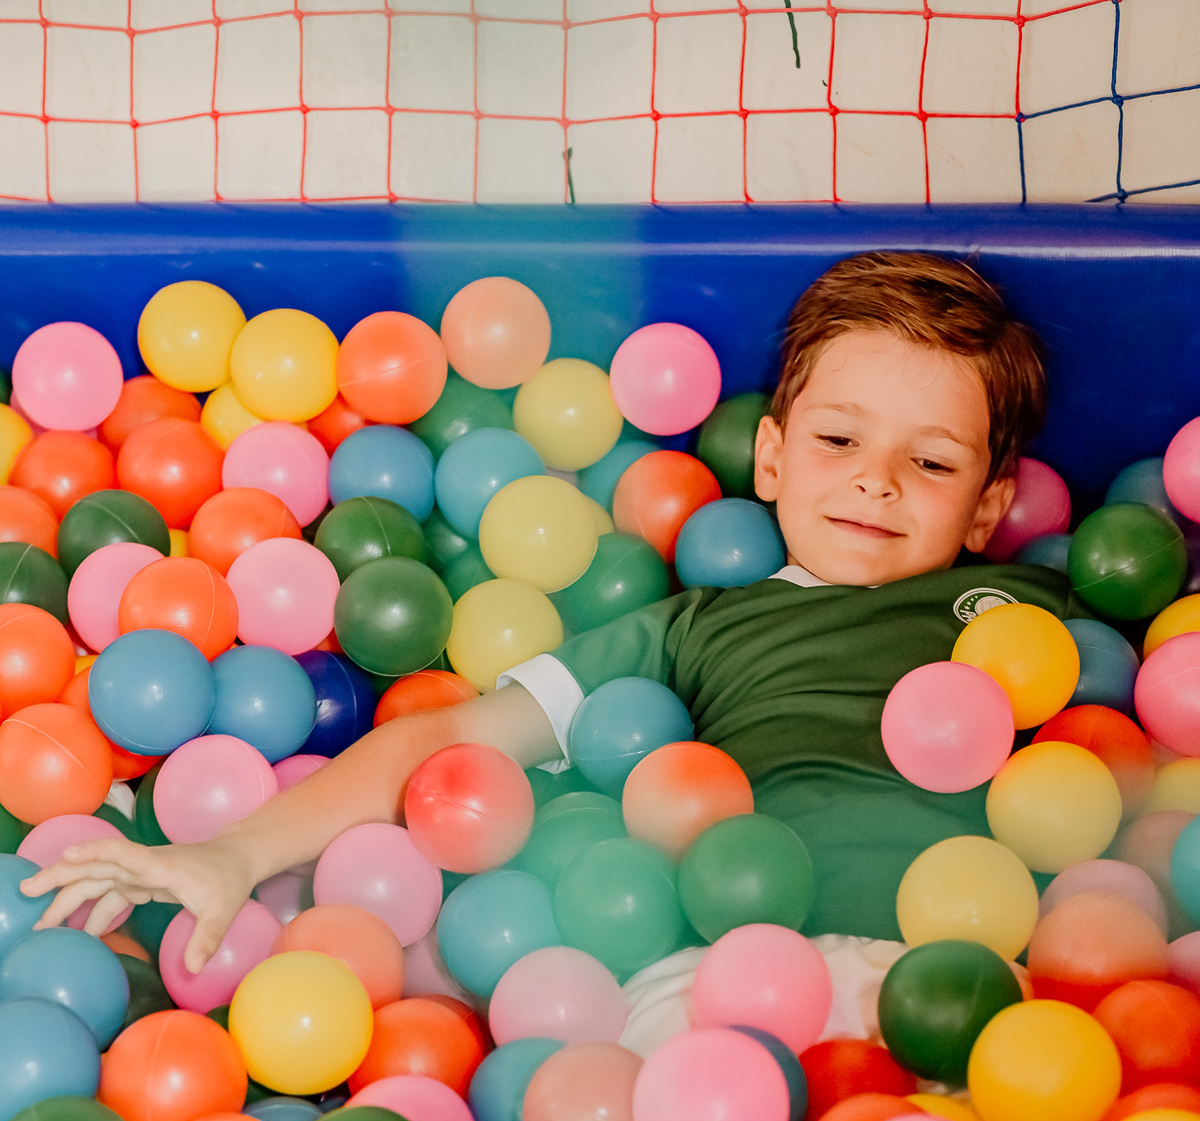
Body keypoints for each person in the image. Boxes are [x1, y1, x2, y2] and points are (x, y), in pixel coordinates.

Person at [23, 251, 1064, 963]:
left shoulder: (1025, 611)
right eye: (840, 441)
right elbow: (445, 743)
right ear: (774, 459)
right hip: (740, 963)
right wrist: (230, 853)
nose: (877, 480)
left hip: (983, 963)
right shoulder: (696, 627)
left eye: (929, 461)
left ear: (989, 506)